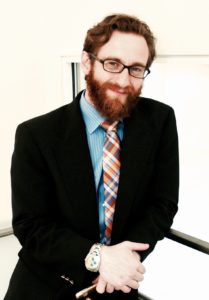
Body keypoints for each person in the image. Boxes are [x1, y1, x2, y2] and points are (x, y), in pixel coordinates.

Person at [4, 13, 179, 300]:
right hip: (46, 286)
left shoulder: (159, 121)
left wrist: (124, 261)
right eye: (112, 64)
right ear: (87, 62)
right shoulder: (36, 134)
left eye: (136, 69)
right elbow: (31, 225)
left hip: (117, 287)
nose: (124, 80)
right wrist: (99, 258)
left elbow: (162, 204)